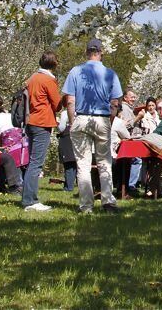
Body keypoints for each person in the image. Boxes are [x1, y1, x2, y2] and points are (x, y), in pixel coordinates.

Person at [62, 38, 122, 214]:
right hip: (102, 118)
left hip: (81, 117)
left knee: (83, 164)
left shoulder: (75, 71)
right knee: (104, 162)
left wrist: (73, 121)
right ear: (101, 52)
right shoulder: (110, 74)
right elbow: (115, 102)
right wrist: (109, 121)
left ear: (86, 52)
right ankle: (108, 201)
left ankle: (86, 205)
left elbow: (70, 100)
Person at [22, 50, 63, 212]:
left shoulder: (32, 78)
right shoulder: (48, 80)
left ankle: (28, 198)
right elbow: (57, 104)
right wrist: (66, 98)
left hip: (31, 121)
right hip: (42, 123)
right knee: (36, 163)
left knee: (32, 162)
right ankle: (30, 201)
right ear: (55, 64)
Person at [56, 110, 77, 192]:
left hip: (67, 138)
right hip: (77, 137)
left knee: (68, 164)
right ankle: (69, 185)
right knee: (74, 164)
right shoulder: (80, 111)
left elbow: (61, 128)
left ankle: (68, 187)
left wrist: (57, 123)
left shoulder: (65, 113)